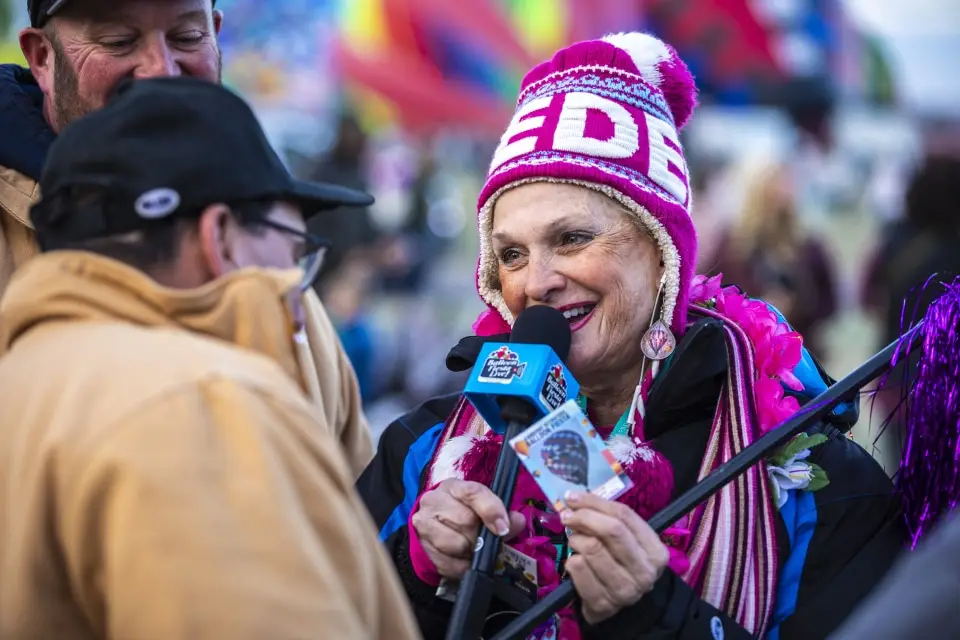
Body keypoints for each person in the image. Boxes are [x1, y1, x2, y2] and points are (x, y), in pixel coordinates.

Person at [358, 32, 905, 639]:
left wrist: (661, 616)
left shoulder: (816, 484)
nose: (537, 282)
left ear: (662, 255)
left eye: (572, 239)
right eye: (511, 254)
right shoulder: (422, 450)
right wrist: (419, 578)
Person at [0, 76, 420, 640]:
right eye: (294, 252)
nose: (300, 288)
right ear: (220, 235)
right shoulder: (199, 401)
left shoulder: (24, 377)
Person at [0, 0, 374, 477]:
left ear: (216, 35)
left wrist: (415, 539)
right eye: (119, 41)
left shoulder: (273, 255)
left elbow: (356, 503)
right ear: (41, 58)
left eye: (186, 37)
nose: (161, 71)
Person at [708, 162, 837, 356]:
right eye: (775, 186)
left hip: (802, 352)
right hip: (745, 354)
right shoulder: (734, 245)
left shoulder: (808, 244)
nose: (783, 192)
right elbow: (712, 296)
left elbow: (828, 301)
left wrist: (796, 306)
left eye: (787, 184)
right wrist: (758, 310)